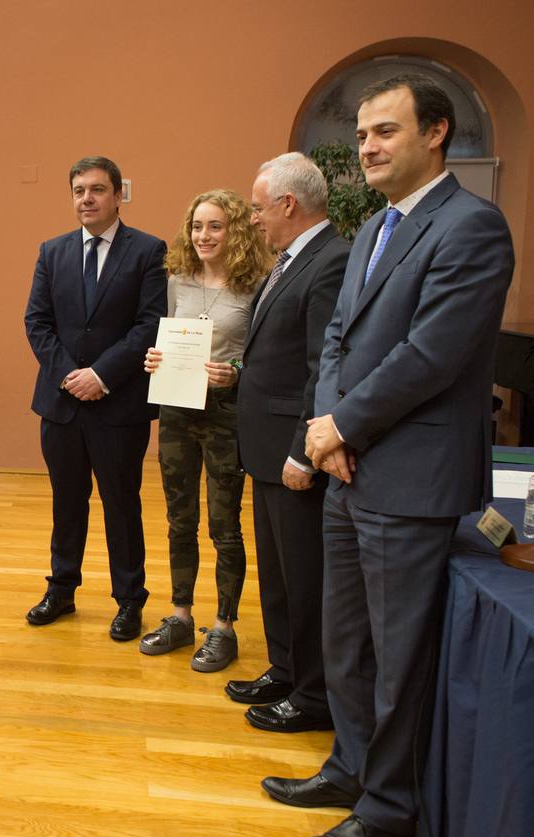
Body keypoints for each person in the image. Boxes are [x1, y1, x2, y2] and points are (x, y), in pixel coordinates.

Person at [261, 74, 516, 837]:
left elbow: (430, 357)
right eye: (363, 133)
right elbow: (336, 340)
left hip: (412, 478)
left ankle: (392, 806)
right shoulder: (370, 229)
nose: (367, 147)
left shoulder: (473, 227)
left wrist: (339, 424)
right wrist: (329, 431)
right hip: (349, 467)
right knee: (347, 644)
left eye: (385, 132)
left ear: (435, 134)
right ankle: (350, 769)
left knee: (399, 657)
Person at [22, 156, 166, 641]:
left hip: (119, 403)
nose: (87, 198)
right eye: (79, 190)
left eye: (97, 189)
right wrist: (70, 376)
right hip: (61, 405)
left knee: (121, 504)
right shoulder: (52, 252)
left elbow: (149, 324)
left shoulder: (149, 251)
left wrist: (101, 374)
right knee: (67, 500)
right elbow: (37, 324)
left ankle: (129, 601)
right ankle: (61, 589)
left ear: (117, 195)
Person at [228, 153, 348, 733]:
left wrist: (305, 449)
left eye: (256, 208)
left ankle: (314, 695)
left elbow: (323, 368)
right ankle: (285, 668)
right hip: (264, 447)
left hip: (292, 453)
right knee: (276, 575)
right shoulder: (290, 261)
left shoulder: (331, 261)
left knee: (305, 581)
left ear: (288, 204)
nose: (253, 219)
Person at [138, 189, 269, 671]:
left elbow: (262, 356)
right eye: (197, 226)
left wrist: (235, 369)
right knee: (179, 520)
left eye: (215, 226)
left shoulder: (256, 284)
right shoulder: (177, 280)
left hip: (225, 414)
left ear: (234, 230)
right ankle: (180, 615)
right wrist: (155, 358)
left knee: (223, 525)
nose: (203, 236)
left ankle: (224, 627)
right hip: (176, 410)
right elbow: (171, 339)